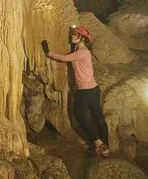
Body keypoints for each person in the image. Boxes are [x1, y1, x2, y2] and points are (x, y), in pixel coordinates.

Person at [41, 25, 110, 158]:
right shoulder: (82, 50)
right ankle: (105, 150)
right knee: (99, 119)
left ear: (83, 38)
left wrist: (49, 53)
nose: (72, 36)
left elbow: (65, 58)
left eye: (76, 35)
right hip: (93, 89)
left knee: (79, 114)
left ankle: (99, 142)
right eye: (72, 34)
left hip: (85, 91)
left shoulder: (82, 52)